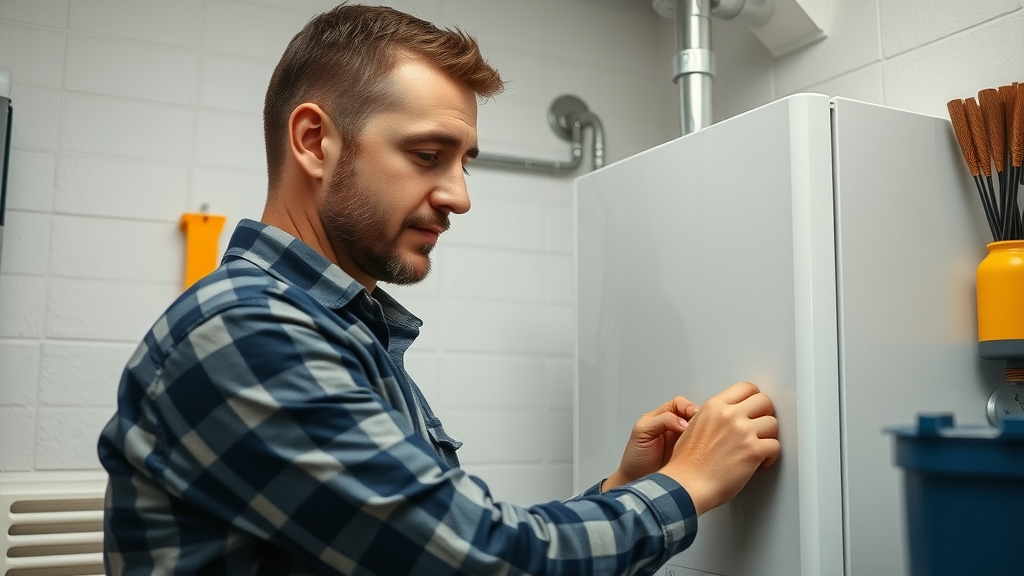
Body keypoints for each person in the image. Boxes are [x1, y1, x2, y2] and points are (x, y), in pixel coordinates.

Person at [98, 4, 780, 575]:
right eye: (428, 156)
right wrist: (685, 485)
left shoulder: (336, 327)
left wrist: (626, 489)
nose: (459, 196)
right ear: (312, 141)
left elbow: (449, 538)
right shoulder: (247, 331)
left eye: (463, 164)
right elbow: (483, 562)